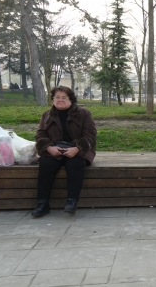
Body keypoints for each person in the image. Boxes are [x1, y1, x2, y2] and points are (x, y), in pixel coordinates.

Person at [33, 86, 97, 217]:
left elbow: (90, 135)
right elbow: (40, 135)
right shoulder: (47, 115)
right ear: (52, 100)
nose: (60, 100)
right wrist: (48, 148)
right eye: (57, 97)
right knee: (46, 165)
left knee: (74, 165)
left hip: (78, 149)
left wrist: (77, 148)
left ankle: (71, 202)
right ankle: (43, 203)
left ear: (71, 100)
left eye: (64, 97)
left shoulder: (84, 114)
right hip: (54, 149)